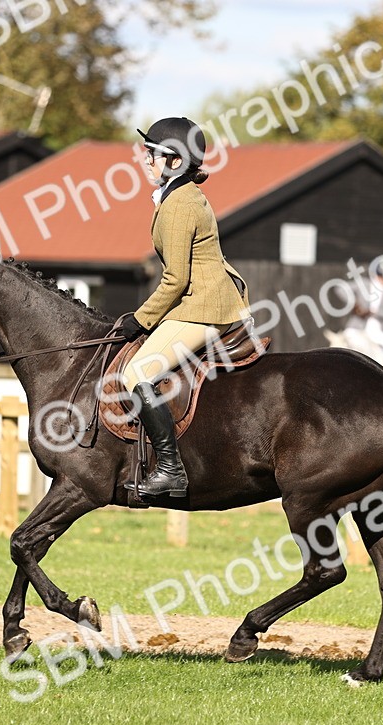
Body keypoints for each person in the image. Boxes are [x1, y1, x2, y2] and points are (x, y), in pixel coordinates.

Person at [115, 117, 251, 498]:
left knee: (136, 373)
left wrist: (141, 319)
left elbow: (175, 279)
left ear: (175, 161)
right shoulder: (179, 196)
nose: (145, 160)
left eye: (151, 154)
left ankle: (171, 469)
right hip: (202, 302)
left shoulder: (179, 205)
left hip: (204, 308)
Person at [336, 261, 383, 371]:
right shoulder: (364, 284)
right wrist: (354, 304)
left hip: (377, 329)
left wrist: (372, 312)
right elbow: (341, 288)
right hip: (357, 327)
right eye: (382, 277)